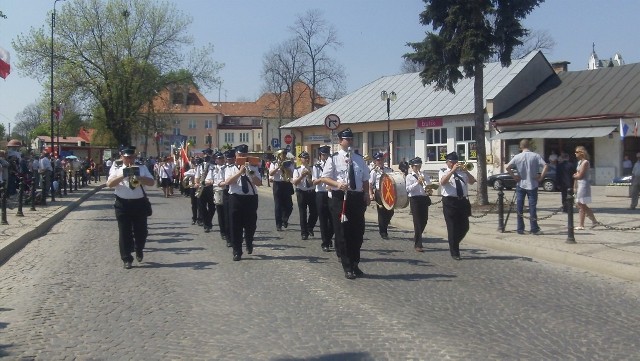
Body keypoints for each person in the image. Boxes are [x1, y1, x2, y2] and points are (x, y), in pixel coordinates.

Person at [320, 128, 371, 280]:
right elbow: (325, 178)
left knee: (358, 232)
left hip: (356, 198)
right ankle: (347, 266)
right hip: (340, 197)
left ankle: (355, 263)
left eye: (351, 139)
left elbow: (365, 179)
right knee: (343, 233)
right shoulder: (334, 158)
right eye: (346, 139)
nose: (349, 142)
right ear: (340, 141)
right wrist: (337, 184)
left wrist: (367, 194)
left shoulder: (359, 159)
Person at [106, 146, 155, 269]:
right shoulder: (116, 168)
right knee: (124, 232)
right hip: (122, 204)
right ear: (122, 157)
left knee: (141, 232)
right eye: (127, 157)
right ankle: (127, 258)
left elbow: (151, 182)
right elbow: (109, 184)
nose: (129, 160)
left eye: (131, 157)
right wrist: (122, 175)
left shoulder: (142, 167)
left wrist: (139, 177)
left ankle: (139, 248)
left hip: (139, 204)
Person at [223, 148, 262, 261]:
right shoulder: (230, 168)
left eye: (244, 154)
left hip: (250, 198)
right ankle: (237, 251)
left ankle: (249, 240)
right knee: (235, 225)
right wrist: (239, 173)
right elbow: (228, 182)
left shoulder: (253, 167)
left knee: (251, 224)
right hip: (235, 198)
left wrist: (251, 173)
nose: (242, 156)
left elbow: (259, 183)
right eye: (240, 154)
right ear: (236, 155)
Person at [506, 139, 548, 235]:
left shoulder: (517, 157)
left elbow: (507, 167)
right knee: (532, 207)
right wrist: (541, 177)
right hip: (533, 184)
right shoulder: (535, 156)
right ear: (529, 145)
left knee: (520, 207)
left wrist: (514, 176)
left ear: (520, 147)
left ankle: (520, 228)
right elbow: (545, 165)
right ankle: (534, 228)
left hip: (521, 184)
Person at [439, 152, 476, 260]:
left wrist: (467, 172)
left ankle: (454, 243)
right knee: (452, 227)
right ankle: (455, 252)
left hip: (462, 201)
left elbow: (472, 182)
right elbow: (443, 182)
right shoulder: (443, 171)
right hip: (449, 202)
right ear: (447, 163)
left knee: (465, 227)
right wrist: (452, 171)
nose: (455, 163)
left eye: (456, 162)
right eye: (452, 162)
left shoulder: (463, 172)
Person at [405, 157, 432, 252]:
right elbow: (408, 189)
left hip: (424, 198)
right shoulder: (409, 176)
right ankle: (418, 244)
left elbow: (429, 184)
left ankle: (417, 235)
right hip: (415, 199)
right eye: (416, 166)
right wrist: (417, 183)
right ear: (412, 167)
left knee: (424, 220)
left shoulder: (424, 174)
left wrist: (429, 188)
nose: (418, 168)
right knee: (417, 222)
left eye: (419, 165)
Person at [292, 151, 317, 240]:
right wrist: (302, 176)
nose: (307, 159)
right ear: (301, 159)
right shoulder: (297, 169)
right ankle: (304, 233)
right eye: (305, 158)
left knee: (314, 212)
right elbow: (295, 182)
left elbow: (314, 182)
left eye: (308, 158)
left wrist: (309, 175)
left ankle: (310, 227)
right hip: (301, 192)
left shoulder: (313, 168)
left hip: (311, 192)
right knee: (303, 213)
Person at [368, 152, 394, 239]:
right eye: (378, 160)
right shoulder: (374, 172)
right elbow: (370, 184)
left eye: (381, 159)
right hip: (379, 192)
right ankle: (383, 232)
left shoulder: (389, 170)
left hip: (389, 193)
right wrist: (371, 194)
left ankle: (385, 225)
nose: (380, 161)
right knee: (382, 213)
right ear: (375, 161)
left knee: (391, 211)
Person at [313, 146, 334, 252]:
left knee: (333, 220)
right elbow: (314, 182)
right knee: (323, 220)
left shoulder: (332, 165)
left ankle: (329, 237)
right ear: (320, 155)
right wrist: (322, 178)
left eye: (326, 155)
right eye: (323, 155)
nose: (325, 157)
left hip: (330, 194)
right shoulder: (316, 167)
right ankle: (325, 242)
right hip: (320, 194)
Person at [573, 146, 599, 230]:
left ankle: (581, 224)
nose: (575, 153)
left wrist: (575, 176)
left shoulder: (585, 162)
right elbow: (577, 174)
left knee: (581, 204)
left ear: (581, 153)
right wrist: (574, 185)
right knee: (580, 204)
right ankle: (594, 221)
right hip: (579, 184)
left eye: (577, 152)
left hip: (584, 185)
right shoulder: (579, 162)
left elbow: (580, 175)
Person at [269, 149, 295, 231]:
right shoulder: (274, 163)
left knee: (289, 205)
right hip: (277, 184)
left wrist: (286, 168)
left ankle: (284, 219)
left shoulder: (289, 163)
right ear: (279, 155)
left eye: (284, 154)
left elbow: (292, 174)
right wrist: (278, 168)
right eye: (281, 154)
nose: (283, 156)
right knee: (278, 205)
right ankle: (278, 224)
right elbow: (270, 173)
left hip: (286, 184)